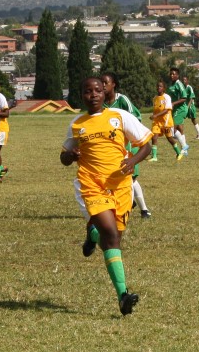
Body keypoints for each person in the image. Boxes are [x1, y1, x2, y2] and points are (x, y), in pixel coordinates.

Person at [61, 77, 152, 316]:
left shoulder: (119, 117)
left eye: (97, 90)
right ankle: (123, 296)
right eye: (87, 91)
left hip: (121, 186)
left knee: (113, 239)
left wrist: (132, 161)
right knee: (111, 235)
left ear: (105, 93)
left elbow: (146, 144)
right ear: (81, 95)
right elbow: (64, 157)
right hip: (92, 185)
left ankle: (92, 234)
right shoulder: (77, 124)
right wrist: (70, 155)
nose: (93, 95)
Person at [101, 71, 150, 218]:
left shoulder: (122, 100)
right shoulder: (101, 103)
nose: (103, 85)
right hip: (109, 147)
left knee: (131, 177)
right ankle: (130, 204)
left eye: (106, 83)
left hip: (126, 145)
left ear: (113, 84)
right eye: (101, 83)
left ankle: (143, 209)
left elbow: (136, 118)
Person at [150, 80, 181, 162]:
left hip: (166, 121)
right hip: (157, 122)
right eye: (158, 86)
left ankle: (178, 152)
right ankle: (154, 157)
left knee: (169, 138)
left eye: (160, 86)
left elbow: (167, 110)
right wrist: (153, 116)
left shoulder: (167, 97)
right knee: (154, 137)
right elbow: (155, 109)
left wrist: (156, 115)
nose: (158, 87)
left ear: (164, 88)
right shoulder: (155, 98)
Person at [165, 67, 191, 157]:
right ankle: (185, 148)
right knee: (179, 129)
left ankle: (184, 146)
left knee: (172, 128)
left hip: (181, 109)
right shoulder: (171, 85)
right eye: (170, 74)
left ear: (177, 75)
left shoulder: (179, 84)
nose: (171, 75)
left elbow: (184, 98)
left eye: (174, 74)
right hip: (174, 109)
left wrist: (173, 103)